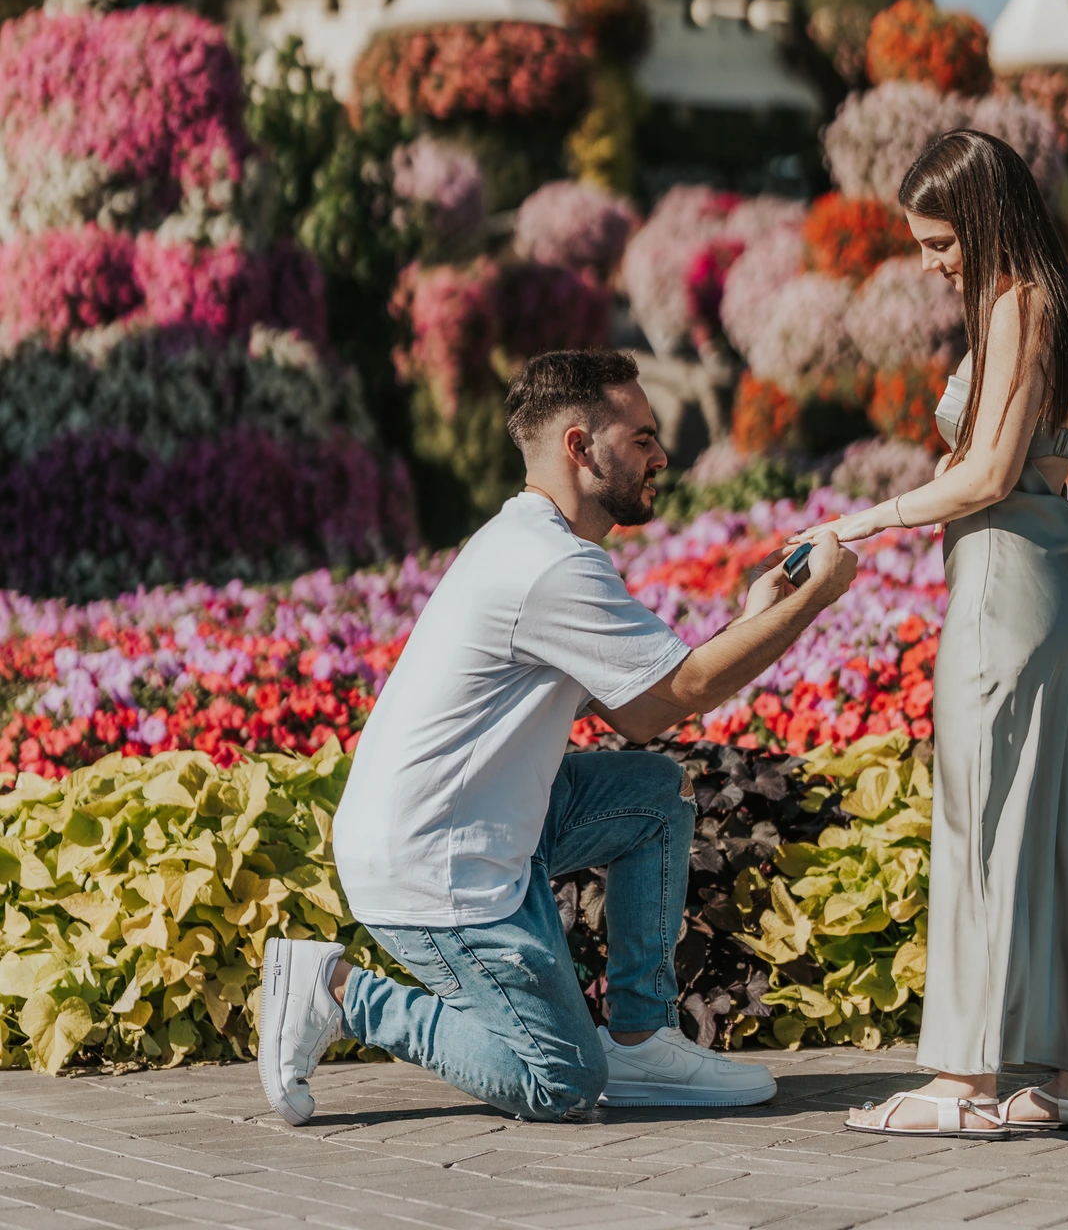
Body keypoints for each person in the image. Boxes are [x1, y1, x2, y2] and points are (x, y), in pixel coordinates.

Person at [259, 347, 857, 1126]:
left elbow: (636, 701)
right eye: (641, 439)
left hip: (478, 822)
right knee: (561, 1083)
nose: (660, 456)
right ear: (580, 446)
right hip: (434, 864)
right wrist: (813, 603)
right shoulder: (550, 564)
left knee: (654, 794)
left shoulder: (532, 542)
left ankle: (640, 1040)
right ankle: (337, 990)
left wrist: (753, 618)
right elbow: (659, 708)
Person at [795, 130, 1068, 1139]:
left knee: (979, 826)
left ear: (983, 222)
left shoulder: (1014, 304)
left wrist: (854, 521)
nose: (935, 263)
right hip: (1053, 580)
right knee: (1061, 832)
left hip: (998, 579)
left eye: (941, 242)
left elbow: (983, 477)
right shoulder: (1067, 306)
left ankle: (963, 1084)